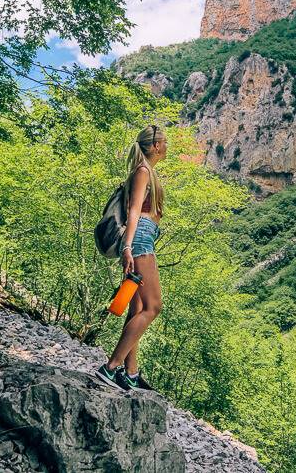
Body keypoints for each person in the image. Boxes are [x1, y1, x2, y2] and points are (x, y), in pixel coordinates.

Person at [95, 124, 167, 391]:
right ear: (156, 145)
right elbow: (134, 211)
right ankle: (111, 367)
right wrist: (127, 247)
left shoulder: (148, 171)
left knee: (137, 309)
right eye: (165, 141)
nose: (167, 146)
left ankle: (131, 373)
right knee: (153, 306)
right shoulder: (142, 171)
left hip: (144, 236)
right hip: (139, 239)